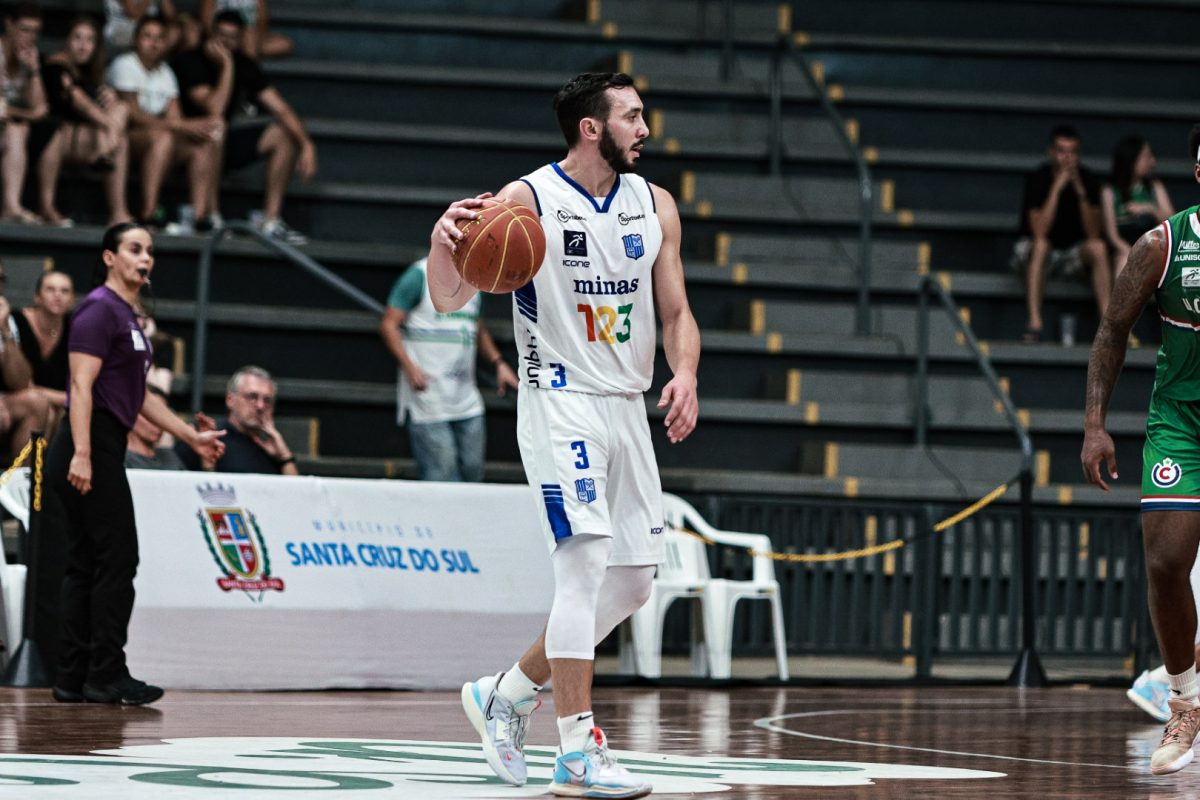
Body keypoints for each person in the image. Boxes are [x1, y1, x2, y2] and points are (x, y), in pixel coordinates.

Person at [433, 73, 700, 798]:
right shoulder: (524, 201)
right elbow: (448, 298)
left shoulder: (656, 204)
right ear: (591, 127)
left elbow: (676, 312)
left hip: (627, 404)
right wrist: (441, 242)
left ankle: (507, 694)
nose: (644, 129)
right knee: (582, 567)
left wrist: (684, 373)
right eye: (632, 116)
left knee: (633, 583)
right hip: (559, 400)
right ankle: (578, 753)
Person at [46, 222, 224, 705]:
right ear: (109, 257)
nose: (145, 258)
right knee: (117, 558)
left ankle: (74, 676)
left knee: (89, 561)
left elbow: (138, 393)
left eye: (149, 251)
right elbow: (80, 386)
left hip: (100, 442)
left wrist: (188, 434)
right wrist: (83, 453)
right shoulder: (99, 310)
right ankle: (105, 673)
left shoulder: (127, 315)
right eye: (134, 249)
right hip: (88, 443)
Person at [1082, 123, 1200, 776]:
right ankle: (1183, 702)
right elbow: (1111, 330)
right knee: (1166, 559)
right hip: (1180, 422)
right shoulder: (1163, 244)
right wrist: (1094, 424)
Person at [171, 10, 316, 242]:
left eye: (232, 37)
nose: (225, 42)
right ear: (210, 33)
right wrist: (227, 66)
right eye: (221, 35)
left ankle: (270, 221)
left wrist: (306, 143)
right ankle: (211, 215)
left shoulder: (243, 63)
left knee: (283, 134)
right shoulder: (191, 60)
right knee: (216, 126)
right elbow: (215, 108)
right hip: (187, 143)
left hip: (222, 143)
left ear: (240, 39)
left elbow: (280, 108)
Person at [379, 257, 518, 481]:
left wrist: (498, 363)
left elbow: (477, 327)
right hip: (428, 396)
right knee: (442, 474)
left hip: (466, 396)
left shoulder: (473, 279)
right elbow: (389, 323)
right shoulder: (419, 276)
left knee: (473, 470)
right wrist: (410, 368)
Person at [107, 15, 221, 229]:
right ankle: (149, 212)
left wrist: (196, 129)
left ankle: (198, 216)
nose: (153, 43)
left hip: (159, 138)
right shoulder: (125, 65)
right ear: (136, 40)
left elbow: (174, 117)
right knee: (164, 138)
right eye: (147, 36)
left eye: (159, 38)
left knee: (202, 145)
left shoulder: (166, 72)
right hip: (125, 139)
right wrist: (183, 126)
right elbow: (134, 116)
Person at [1013, 124, 1111, 343]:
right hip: (1038, 253)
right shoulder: (1038, 179)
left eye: (1072, 152)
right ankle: (1035, 323)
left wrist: (1080, 193)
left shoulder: (1088, 180)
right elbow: (1039, 231)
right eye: (1061, 151)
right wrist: (1056, 189)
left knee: (1098, 247)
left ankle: (1108, 327)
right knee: (1041, 245)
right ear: (1050, 152)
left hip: (1072, 255)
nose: (1067, 158)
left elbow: (1094, 233)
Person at [37, 16, 133, 227]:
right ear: (67, 40)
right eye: (77, 38)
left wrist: (110, 97)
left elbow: (99, 105)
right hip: (52, 137)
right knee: (117, 137)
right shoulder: (56, 66)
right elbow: (78, 102)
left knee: (122, 111)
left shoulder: (91, 72)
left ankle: (119, 213)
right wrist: (109, 124)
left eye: (89, 40)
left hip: (87, 134)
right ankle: (105, 150)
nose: (83, 45)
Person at [174, 364, 299, 474]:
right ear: (230, 400)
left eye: (267, 400)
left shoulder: (273, 447)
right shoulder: (208, 438)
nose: (260, 406)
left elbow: (296, 491)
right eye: (252, 397)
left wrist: (284, 457)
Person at [0, 3, 47, 225]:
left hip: (8, 127)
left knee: (18, 130)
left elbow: (40, 107)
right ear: (9, 25)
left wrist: (34, 70)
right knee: (17, 129)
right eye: (25, 29)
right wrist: (28, 114)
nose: (30, 37)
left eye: (35, 32)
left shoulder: (28, 58)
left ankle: (11, 207)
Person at [1102, 136, 1174, 279]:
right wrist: (1129, 251)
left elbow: (1173, 223)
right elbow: (1112, 235)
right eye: (1147, 156)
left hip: (1152, 246)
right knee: (1123, 258)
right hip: (1123, 247)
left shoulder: (1155, 187)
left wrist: (1150, 209)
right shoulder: (1109, 191)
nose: (1152, 162)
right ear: (1131, 160)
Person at [12, 269, 73, 440]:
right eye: (50, 289)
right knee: (46, 411)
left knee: (64, 414)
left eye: (64, 291)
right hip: (16, 397)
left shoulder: (75, 329)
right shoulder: (16, 321)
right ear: (37, 296)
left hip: (56, 405)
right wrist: (67, 398)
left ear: (72, 300)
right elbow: (20, 384)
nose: (58, 296)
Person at [199, 0, 291, 60]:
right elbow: (206, 23)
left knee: (284, 44)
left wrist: (251, 38)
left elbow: (263, 23)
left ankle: (244, 59)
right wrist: (225, 37)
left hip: (248, 39)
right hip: (221, 37)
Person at [124, 384, 186, 469]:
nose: (158, 423)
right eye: (151, 416)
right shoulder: (118, 459)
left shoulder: (170, 456)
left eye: (164, 416)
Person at [103, 0, 178, 52]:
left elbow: (171, 16)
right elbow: (134, 13)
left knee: (175, 32)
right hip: (121, 29)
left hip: (148, 28)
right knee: (150, 35)